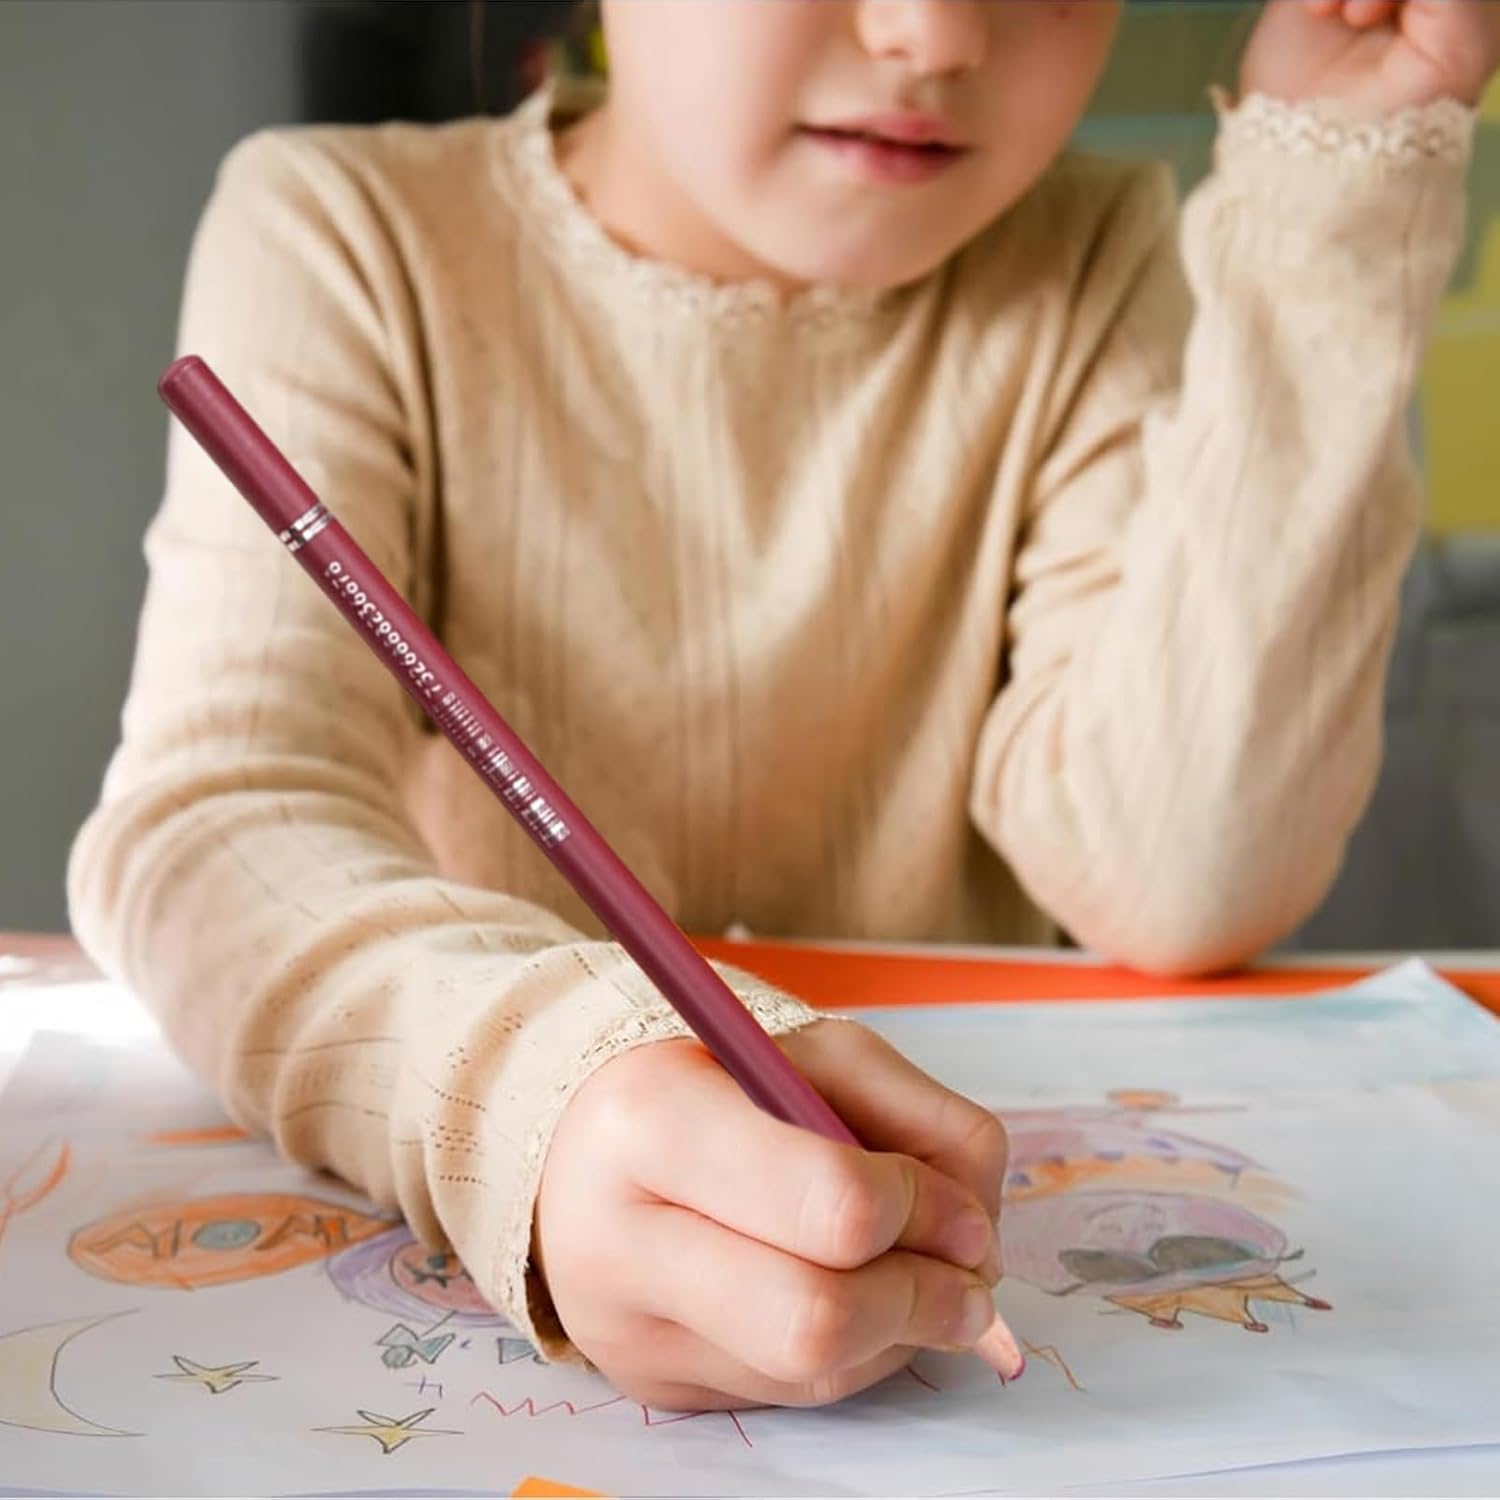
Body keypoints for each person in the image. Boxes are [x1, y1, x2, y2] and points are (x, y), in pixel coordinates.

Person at [70, 0, 1498, 1411]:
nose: (939, 36)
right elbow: (216, 827)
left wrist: (1338, 178)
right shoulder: (349, 231)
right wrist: (536, 1094)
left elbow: (1180, 875)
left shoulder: (1094, 251)